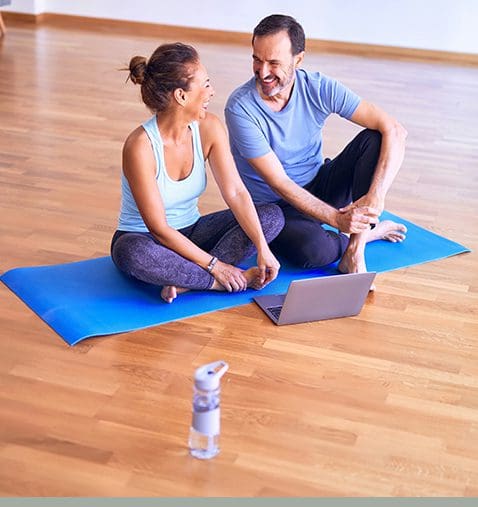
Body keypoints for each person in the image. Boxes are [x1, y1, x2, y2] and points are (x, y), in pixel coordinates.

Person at [225, 14, 408, 279]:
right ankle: (370, 233)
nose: (263, 72)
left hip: (320, 184)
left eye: (274, 63)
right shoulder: (240, 108)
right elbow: (280, 183)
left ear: (298, 60)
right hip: (277, 207)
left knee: (376, 138)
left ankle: (355, 250)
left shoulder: (318, 87)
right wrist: (337, 220)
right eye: (257, 59)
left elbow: (395, 130)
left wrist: (376, 196)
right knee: (313, 252)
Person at [111, 43, 284, 303]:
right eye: (205, 84)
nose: (211, 91)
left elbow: (236, 192)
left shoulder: (209, 128)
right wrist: (216, 267)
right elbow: (158, 228)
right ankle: (214, 282)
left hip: (193, 231)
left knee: (271, 216)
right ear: (181, 96)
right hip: (146, 239)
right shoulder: (140, 146)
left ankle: (185, 282)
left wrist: (262, 247)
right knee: (131, 253)